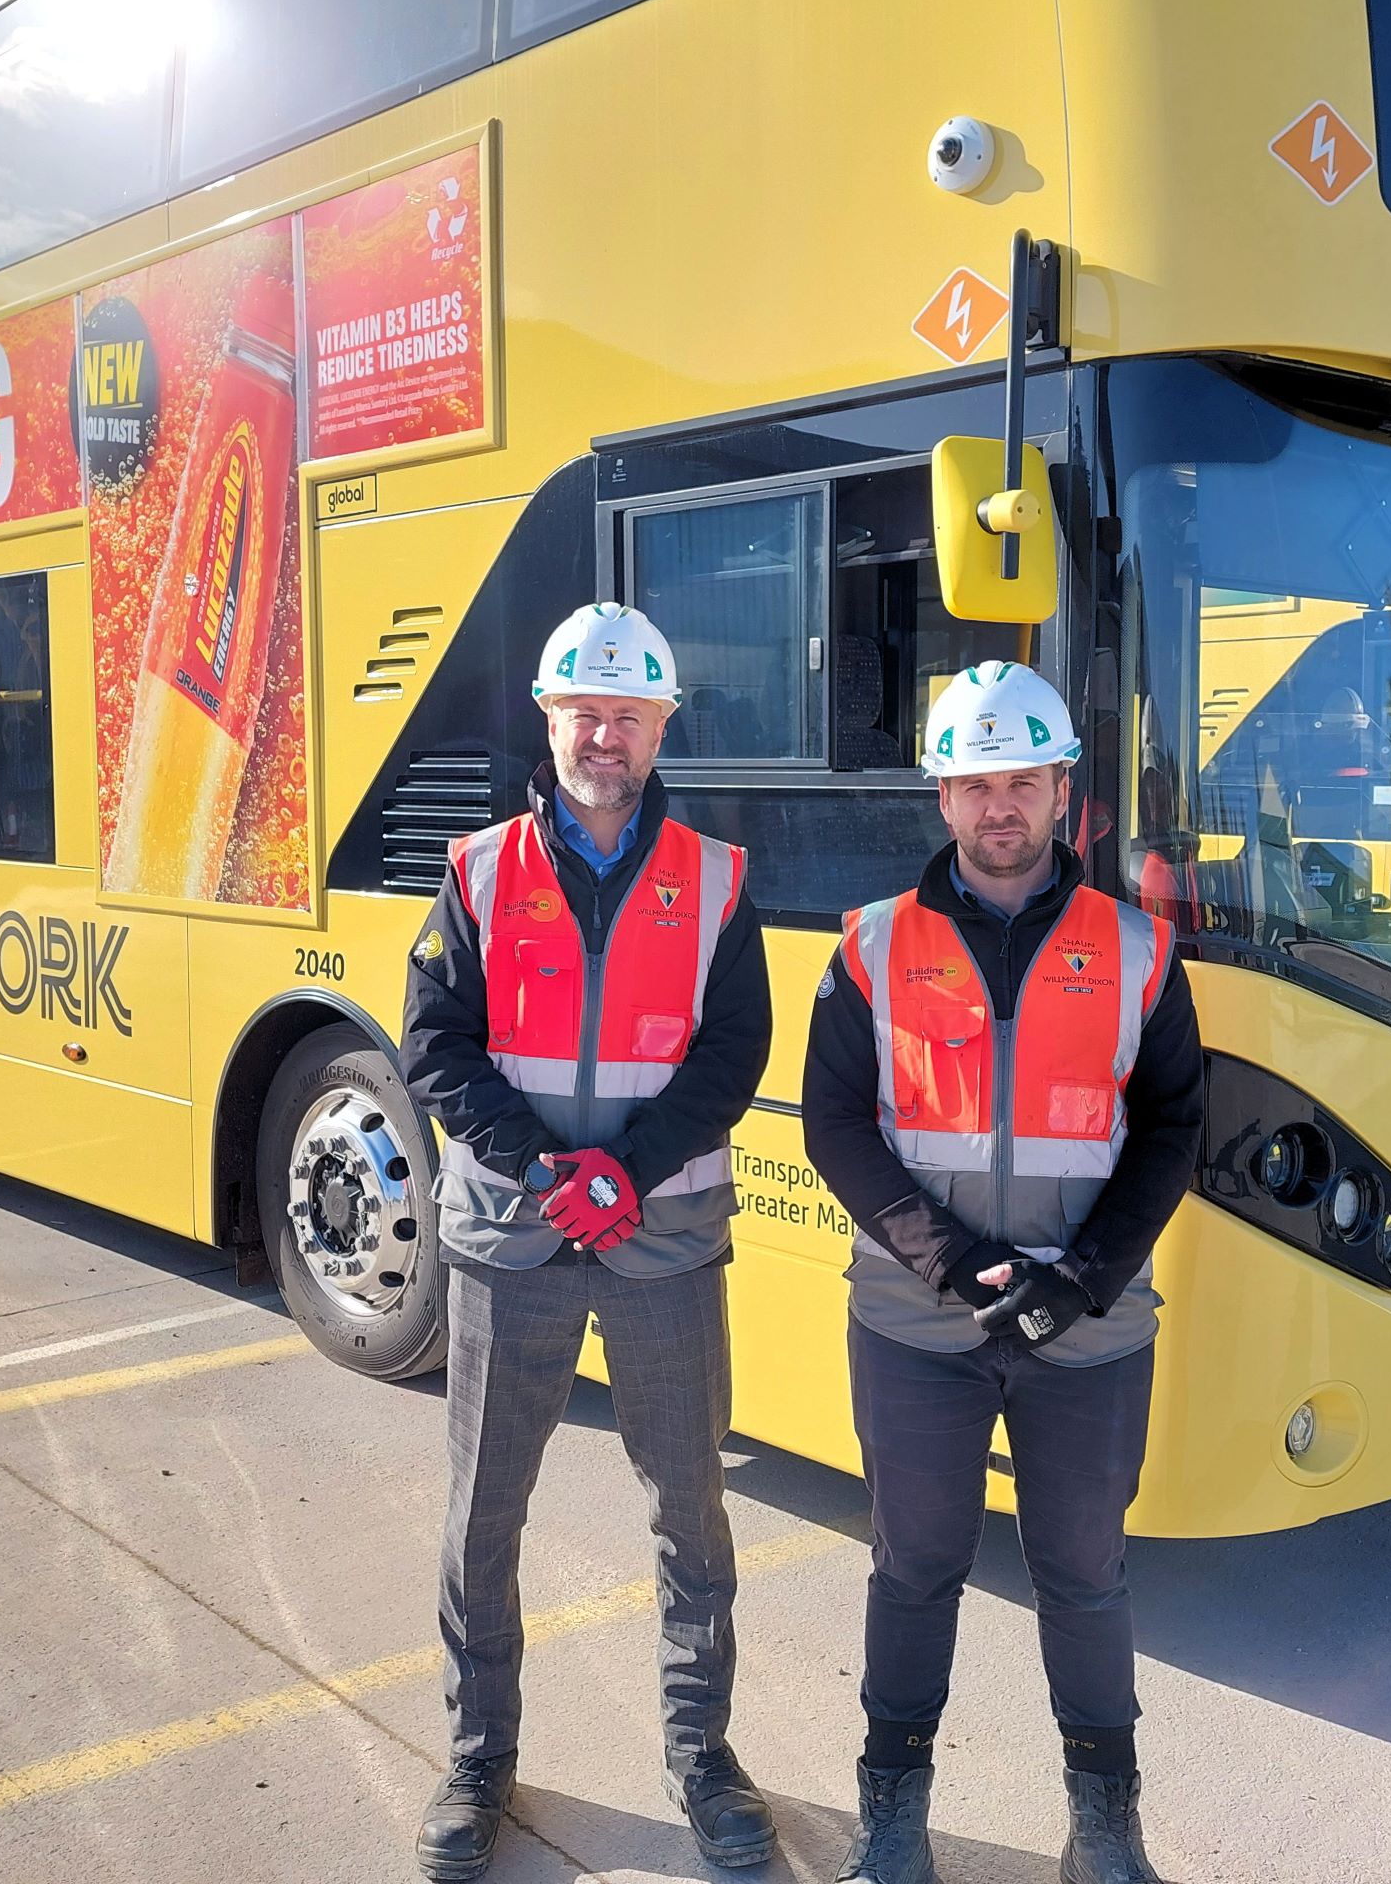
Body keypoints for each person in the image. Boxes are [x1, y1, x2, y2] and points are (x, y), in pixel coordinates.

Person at [802, 660, 1203, 1884]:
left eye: (1018, 781)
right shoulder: (873, 945)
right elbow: (835, 1127)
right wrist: (958, 1265)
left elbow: (1173, 1128)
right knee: (913, 1567)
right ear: (940, 796)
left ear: (1059, 789)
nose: (997, 808)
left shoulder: (1136, 949)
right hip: (917, 1327)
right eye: (974, 784)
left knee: (1083, 1577)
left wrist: (1078, 1280)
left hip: (1085, 1332)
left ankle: (1103, 1825)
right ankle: (890, 1815)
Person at [399, 601, 775, 1880]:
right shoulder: (474, 870)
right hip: (513, 1241)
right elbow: (434, 1048)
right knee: (481, 1521)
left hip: (660, 1245)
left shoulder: (716, 878)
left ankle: (701, 1757)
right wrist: (548, 1165)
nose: (602, 736)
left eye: (627, 715)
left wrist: (631, 1168)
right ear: (547, 720)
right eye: (582, 712)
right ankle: (476, 1758)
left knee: (691, 1517)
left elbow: (733, 1052)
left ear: (661, 727)